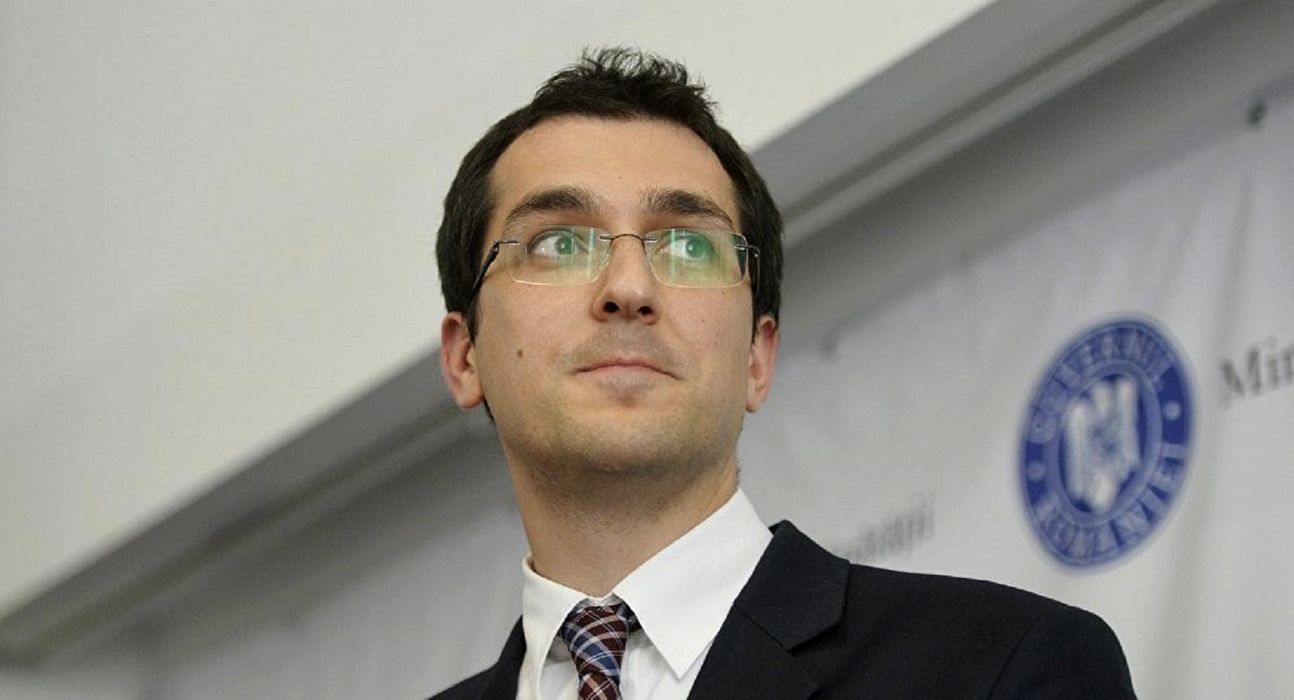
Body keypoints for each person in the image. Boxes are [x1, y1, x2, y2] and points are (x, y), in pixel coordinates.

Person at [431, 47, 1135, 700]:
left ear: (757, 358)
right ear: (465, 357)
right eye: (559, 243)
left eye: (688, 246)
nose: (628, 287)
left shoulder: (1003, 667)